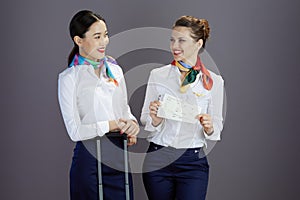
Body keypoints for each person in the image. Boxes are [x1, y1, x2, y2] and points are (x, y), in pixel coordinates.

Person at [58, 10, 139, 200]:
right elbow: (75, 132)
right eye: (97, 37)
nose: (104, 41)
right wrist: (112, 125)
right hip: (89, 159)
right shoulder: (69, 78)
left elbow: (124, 110)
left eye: (106, 35)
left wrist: (132, 125)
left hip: (119, 157)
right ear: (79, 40)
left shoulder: (115, 71)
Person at [141, 15, 224, 200]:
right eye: (172, 40)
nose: (174, 46)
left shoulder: (213, 82)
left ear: (198, 43)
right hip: (158, 158)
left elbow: (217, 127)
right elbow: (145, 118)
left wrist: (210, 127)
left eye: (181, 40)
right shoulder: (158, 75)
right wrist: (154, 120)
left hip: (192, 162)